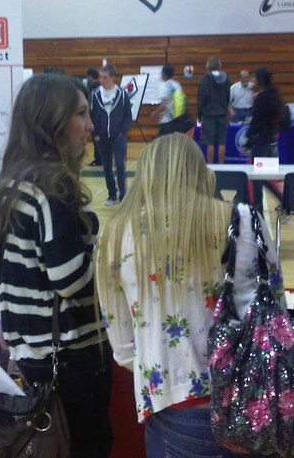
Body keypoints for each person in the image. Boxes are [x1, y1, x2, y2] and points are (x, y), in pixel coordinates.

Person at [0, 73, 112, 458]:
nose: (90, 126)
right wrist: (113, 253)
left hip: (34, 357)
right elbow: (69, 278)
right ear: (51, 121)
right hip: (70, 359)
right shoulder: (52, 185)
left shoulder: (15, 181)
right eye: (80, 113)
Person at [96, 133, 236, 457]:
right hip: (245, 399)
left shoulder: (115, 234)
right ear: (201, 172)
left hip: (170, 404)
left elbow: (123, 348)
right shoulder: (239, 220)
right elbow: (272, 321)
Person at [90, 63, 133, 206]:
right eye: (100, 77)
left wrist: (123, 132)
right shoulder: (95, 94)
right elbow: (91, 115)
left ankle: (123, 195)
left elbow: (128, 115)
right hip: (102, 137)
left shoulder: (122, 94)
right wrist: (94, 133)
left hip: (118, 136)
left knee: (120, 165)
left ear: (113, 77)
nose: (102, 80)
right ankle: (112, 195)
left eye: (105, 77)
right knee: (107, 166)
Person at [245, 67, 283, 213]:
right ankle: (279, 200)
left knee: (258, 177)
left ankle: (259, 208)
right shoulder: (274, 95)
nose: (253, 80)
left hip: (261, 142)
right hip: (271, 141)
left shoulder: (262, 98)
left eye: (255, 77)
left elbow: (256, 123)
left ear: (260, 80)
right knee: (264, 176)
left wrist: (248, 140)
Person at [197, 56, 230, 164]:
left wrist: (199, 113)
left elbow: (201, 97)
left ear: (208, 66)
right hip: (222, 114)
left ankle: (210, 166)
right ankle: (222, 166)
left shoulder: (205, 79)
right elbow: (227, 95)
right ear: (219, 65)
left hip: (209, 115)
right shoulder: (226, 78)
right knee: (222, 143)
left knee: (210, 143)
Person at [153, 64, 183, 137]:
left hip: (166, 121)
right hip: (178, 120)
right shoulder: (177, 85)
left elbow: (163, 106)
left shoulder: (164, 87)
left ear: (164, 74)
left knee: (163, 145)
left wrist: (155, 113)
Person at [86, 67, 103, 166]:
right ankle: (101, 159)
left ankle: (99, 160)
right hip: (100, 117)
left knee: (97, 140)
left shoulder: (93, 89)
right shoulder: (101, 87)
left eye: (87, 76)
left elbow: (90, 104)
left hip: (95, 117)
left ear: (90, 77)